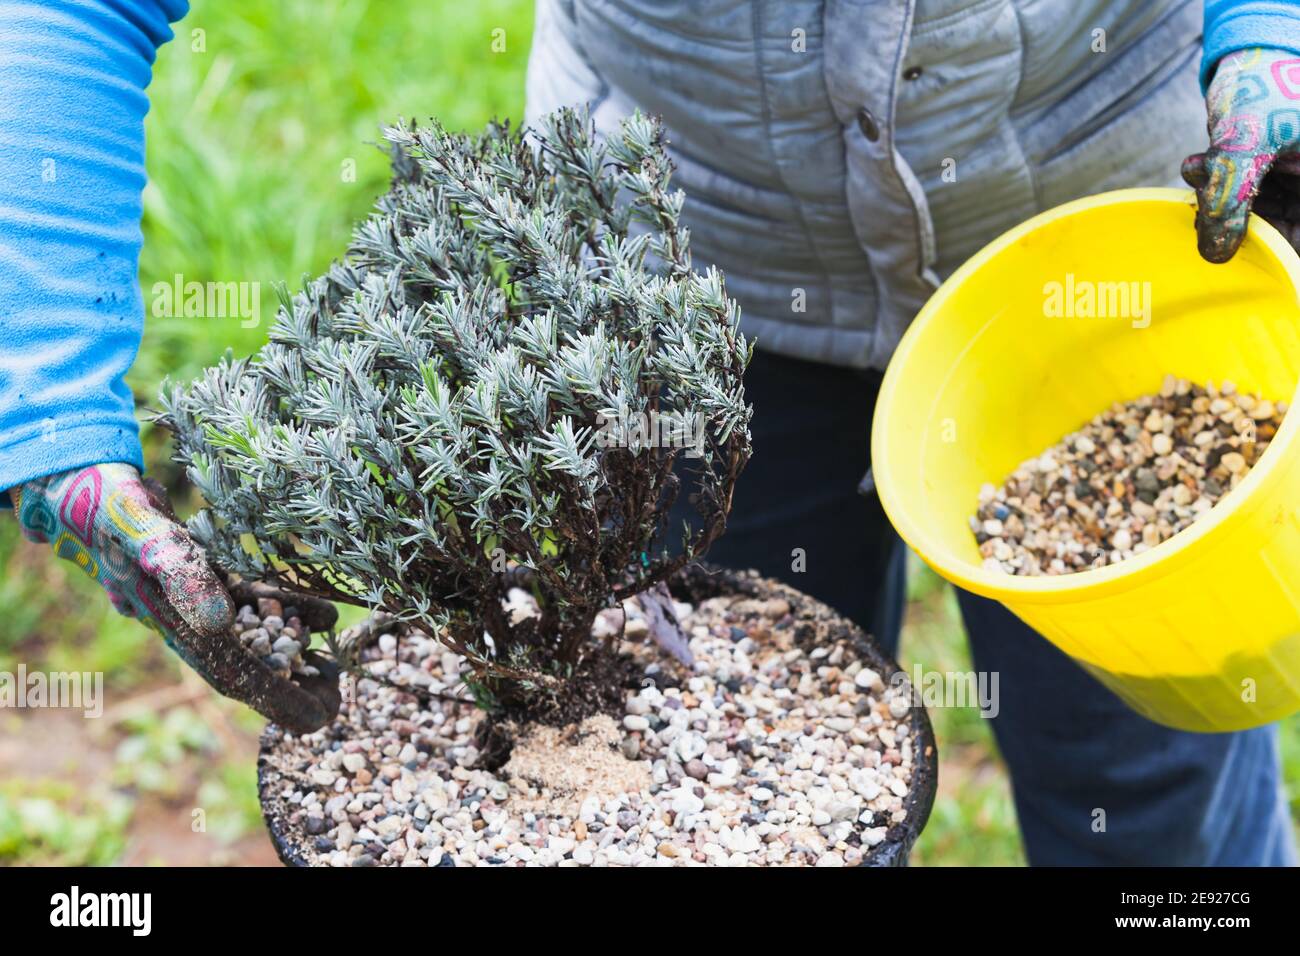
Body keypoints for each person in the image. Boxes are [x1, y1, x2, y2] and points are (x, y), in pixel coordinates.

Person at [1, 0, 1297, 863]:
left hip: (1102, 282)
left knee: (1156, 794)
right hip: (683, 287)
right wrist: (55, 417)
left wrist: (1270, 29)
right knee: (719, 791)